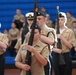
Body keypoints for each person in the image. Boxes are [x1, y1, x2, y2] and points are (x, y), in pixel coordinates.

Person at [23, 10, 55, 75]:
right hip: (32, 58)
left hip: (44, 57)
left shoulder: (50, 30)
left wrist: (38, 35)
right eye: (36, 18)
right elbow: (24, 45)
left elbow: (52, 42)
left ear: (45, 19)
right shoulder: (30, 32)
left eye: (39, 19)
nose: (37, 20)